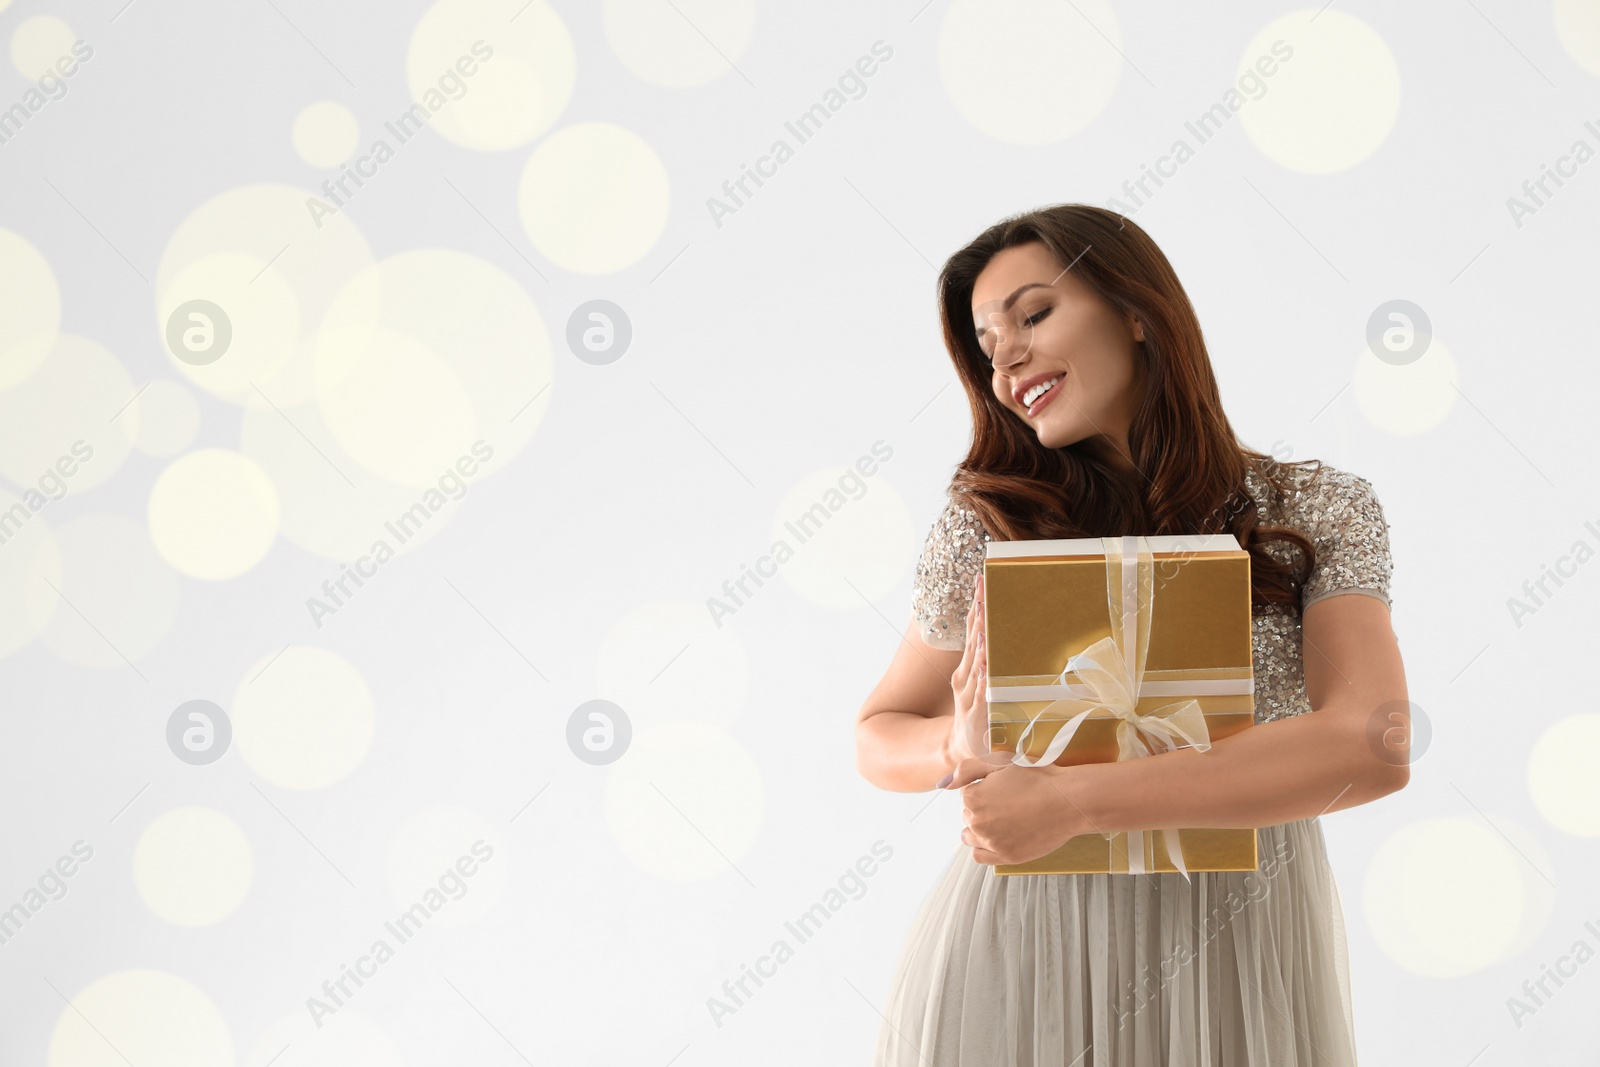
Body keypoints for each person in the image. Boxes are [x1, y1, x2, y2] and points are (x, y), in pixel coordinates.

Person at [854, 204, 1409, 1065]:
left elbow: (1373, 743)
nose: (1006, 356)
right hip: (1023, 949)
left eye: (1034, 314)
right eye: (988, 340)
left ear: (1138, 311)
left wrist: (1071, 801)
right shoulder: (989, 524)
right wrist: (961, 749)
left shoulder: (1314, 510)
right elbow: (878, 733)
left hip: (1238, 939)